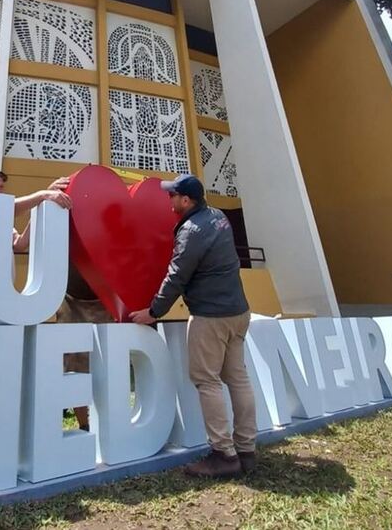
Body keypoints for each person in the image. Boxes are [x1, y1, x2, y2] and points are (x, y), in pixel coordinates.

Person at [129, 174, 257, 478]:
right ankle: (246, 451)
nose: (169, 200)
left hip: (211, 317)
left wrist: (154, 311)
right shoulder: (218, 217)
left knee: (207, 381)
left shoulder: (191, 231)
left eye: (172, 195)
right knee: (238, 379)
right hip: (239, 312)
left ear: (186, 200)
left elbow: (177, 276)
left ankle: (223, 455)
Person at [0, 169, 72, 327]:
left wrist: (39, 208)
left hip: (3, 301)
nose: (3, 192)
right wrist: (43, 194)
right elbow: (9, 209)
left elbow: (19, 243)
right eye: (0, 187)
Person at [56, 261, 113, 431]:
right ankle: (85, 425)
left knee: (107, 365)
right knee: (73, 363)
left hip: (106, 297)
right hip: (69, 297)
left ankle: (105, 424)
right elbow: (23, 243)